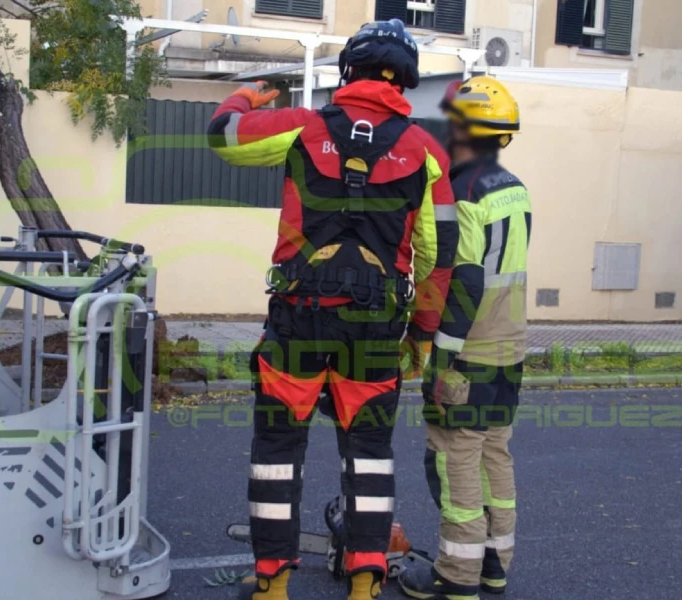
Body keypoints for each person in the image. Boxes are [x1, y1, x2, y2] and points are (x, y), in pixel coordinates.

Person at [206, 19, 458, 600]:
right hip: (374, 327)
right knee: (368, 453)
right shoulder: (427, 152)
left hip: (298, 316)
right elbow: (440, 258)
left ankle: (272, 586)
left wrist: (248, 94)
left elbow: (223, 135)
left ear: (351, 70)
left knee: (277, 449)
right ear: (406, 78)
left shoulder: (304, 126)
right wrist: (422, 334)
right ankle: (365, 582)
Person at [398, 76, 530, 600]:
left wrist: (442, 354)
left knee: (456, 459)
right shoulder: (514, 187)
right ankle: (495, 566)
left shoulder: (466, 189)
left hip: (468, 349)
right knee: (496, 453)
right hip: (510, 346)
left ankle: (456, 575)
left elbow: (467, 278)